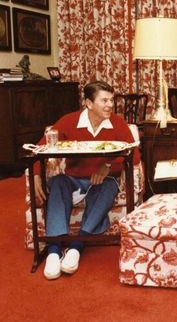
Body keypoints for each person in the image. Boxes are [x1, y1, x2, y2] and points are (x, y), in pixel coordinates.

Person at [33, 81, 141, 280]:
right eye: (104, 100)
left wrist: (107, 165)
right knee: (58, 182)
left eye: (111, 100)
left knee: (109, 186)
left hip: (104, 182)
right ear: (89, 103)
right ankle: (54, 250)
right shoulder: (68, 121)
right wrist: (37, 176)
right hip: (74, 180)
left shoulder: (118, 123)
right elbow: (40, 149)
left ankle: (76, 246)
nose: (110, 105)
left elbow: (134, 157)